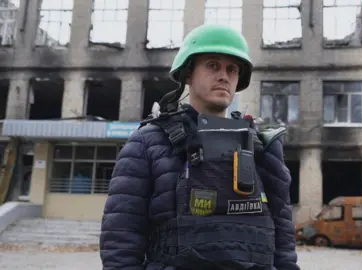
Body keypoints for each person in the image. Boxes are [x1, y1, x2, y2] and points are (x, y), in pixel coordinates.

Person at [99, 24, 300, 270]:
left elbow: (283, 238)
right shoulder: (148, 142)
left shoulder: (263, 146)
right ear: (188, 74)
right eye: (213, 65)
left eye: (232, 69)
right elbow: (121, 240)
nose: (224, 76)